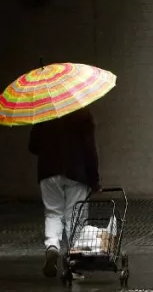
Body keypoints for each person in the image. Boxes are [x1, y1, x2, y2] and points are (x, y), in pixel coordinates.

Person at [29, 110, 100, 278]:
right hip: (76, 172)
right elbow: (89, 149)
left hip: (48, 171)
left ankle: (52, 245)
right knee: (75, 216)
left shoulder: (43, 111)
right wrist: (94, 180)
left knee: (53, 213)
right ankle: (74, 264)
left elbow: (33, 146)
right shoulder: (82, 113)